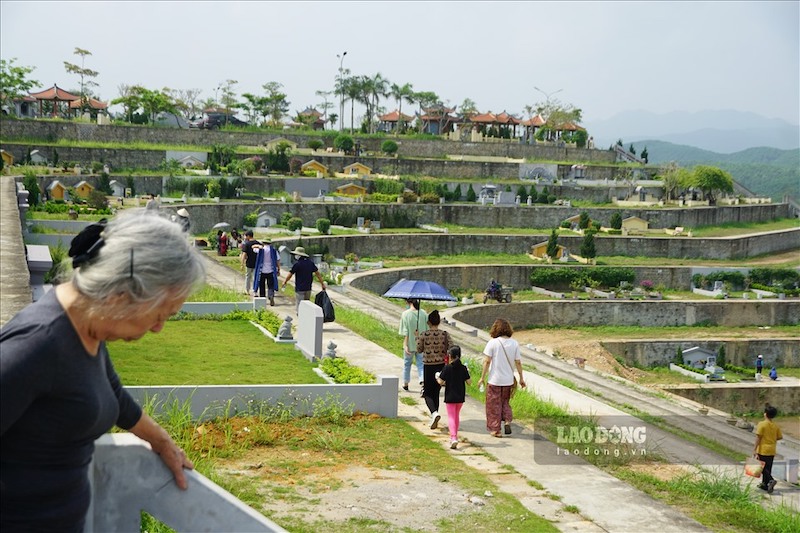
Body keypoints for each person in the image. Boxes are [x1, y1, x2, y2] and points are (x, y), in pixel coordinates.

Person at [0, 209, 205, 532]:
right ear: (120, 296)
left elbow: (112, 394)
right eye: (159, 314)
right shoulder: (37, 345)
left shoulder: (86, 330)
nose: (158, 329)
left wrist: (161, 441)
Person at [477, 318, 527, 437]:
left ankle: (496, 430)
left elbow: (487, 361)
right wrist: (521, 378)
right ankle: (508, 421)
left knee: (493, 405)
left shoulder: (493, 343)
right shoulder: (514, 343)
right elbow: (518, 362)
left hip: (495, 380)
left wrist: (482, 377)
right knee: (505, 402)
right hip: (508, 380)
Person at [416, 310, 451, 430]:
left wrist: (417, 337)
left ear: (428, 322)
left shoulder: (424, 334)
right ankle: (435, 414)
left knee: (427, 393)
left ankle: (434, 413)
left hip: (428, 366)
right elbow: (451, 348)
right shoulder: (445, 334)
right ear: (439, 321)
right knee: (436, 391)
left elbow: (419, 349)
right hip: (441, 366)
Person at [437, 345, 471, 449]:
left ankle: (453, 437)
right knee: (456, 416)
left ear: (450, 356)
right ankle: (454, 436)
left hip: (450, 396)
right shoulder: (463, 368)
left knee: (451, 417)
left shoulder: (447, 368)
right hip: (460, 396)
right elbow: (469, 382)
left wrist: (437, 376)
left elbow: (440, 381)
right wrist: (467, 373)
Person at [280, 246, 326, 313]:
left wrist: (285, 281)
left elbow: (290, 274)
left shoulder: (297, 264)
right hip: (308, 287)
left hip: (300, 287)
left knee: (299, 304)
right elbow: (317, 273)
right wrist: (322, 284)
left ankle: (300, 317)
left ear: (299, 255)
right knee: (307, 305)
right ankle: (306, 317)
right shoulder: (310, 263)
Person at [398, 298, 428, 393]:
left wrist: (405, 344)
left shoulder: (405, 314)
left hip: (410, 344)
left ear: (408, 302)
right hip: (421, 344)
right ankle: (422, 380)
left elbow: (406, 332)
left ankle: (406, 383)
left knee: (407, 364)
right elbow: (427, 329)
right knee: (421, 364)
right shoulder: (423, 314)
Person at [753, 404, 783, 494]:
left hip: (763, 449)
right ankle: (765, 485)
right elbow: (779, 437)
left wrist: (754, 449)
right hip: (772, 449)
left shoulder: (762, 424)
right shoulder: (775, 426)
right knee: (768, 467)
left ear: (765, 414)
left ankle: (770, 480)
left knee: (761, 468)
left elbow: (758, 437)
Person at [254, 237, 280, 306]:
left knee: (262, 285)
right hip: (271, 270)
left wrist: (258, 246)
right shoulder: (274, 250)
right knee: (270, 285)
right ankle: (271, 296)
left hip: (262, 271)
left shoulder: (261, 250)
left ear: (263, 242)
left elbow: (253, 247)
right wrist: (278, 269)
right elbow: (278, 260)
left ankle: (262, 299)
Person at [239, 230, 262, 296]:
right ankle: (255, 291)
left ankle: (247, 290)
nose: (245, 237)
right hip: (257, 263)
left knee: (248, 277)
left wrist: (242, 264)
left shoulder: (247, 244)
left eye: (246, 236)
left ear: (248, 236)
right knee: (256, 278)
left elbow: (244, 254)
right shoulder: (258, 243)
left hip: (249, 263)